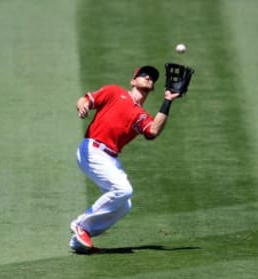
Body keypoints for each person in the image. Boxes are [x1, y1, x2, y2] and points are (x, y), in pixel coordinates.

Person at [69, 65, 181, 253]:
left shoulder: (141, 115)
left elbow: (153, 131)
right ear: (133, 80)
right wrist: (83, 104)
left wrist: (168, 100)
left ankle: (79, 241)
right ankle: (81, 225)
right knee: (123, 190)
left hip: (110, 158)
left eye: (152, 78)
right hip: (92, 149)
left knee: (124, 205)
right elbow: (86, 99)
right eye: (143, 75)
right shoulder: (114, 92)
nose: (148, 78)